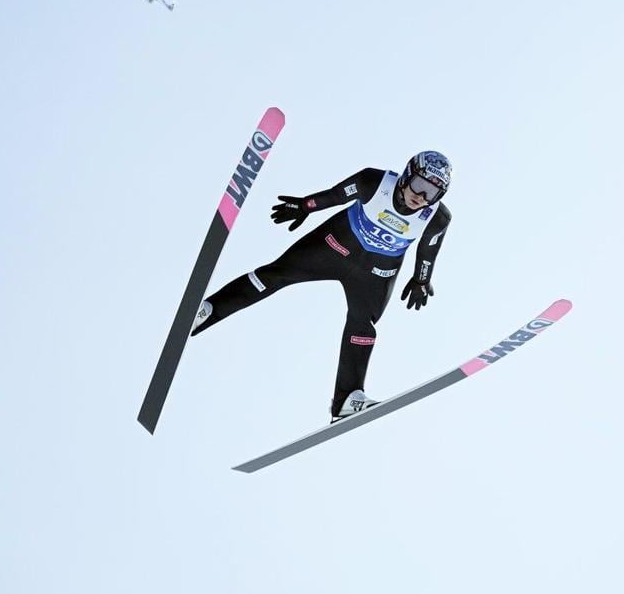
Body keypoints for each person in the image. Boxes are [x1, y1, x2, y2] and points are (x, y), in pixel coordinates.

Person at [189, 151, 454, 422]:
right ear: (407, 175)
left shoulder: (437, 218)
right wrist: (305, 206)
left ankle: (347, 399)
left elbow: (428, 251)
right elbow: (336, 195)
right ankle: (208, 311)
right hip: (334, 246)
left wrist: (421, 280)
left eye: (432, 193)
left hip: (375, 272)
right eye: (419, 185)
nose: (421, 197)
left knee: (363, 326)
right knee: (276, 274)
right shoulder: (374, 182)